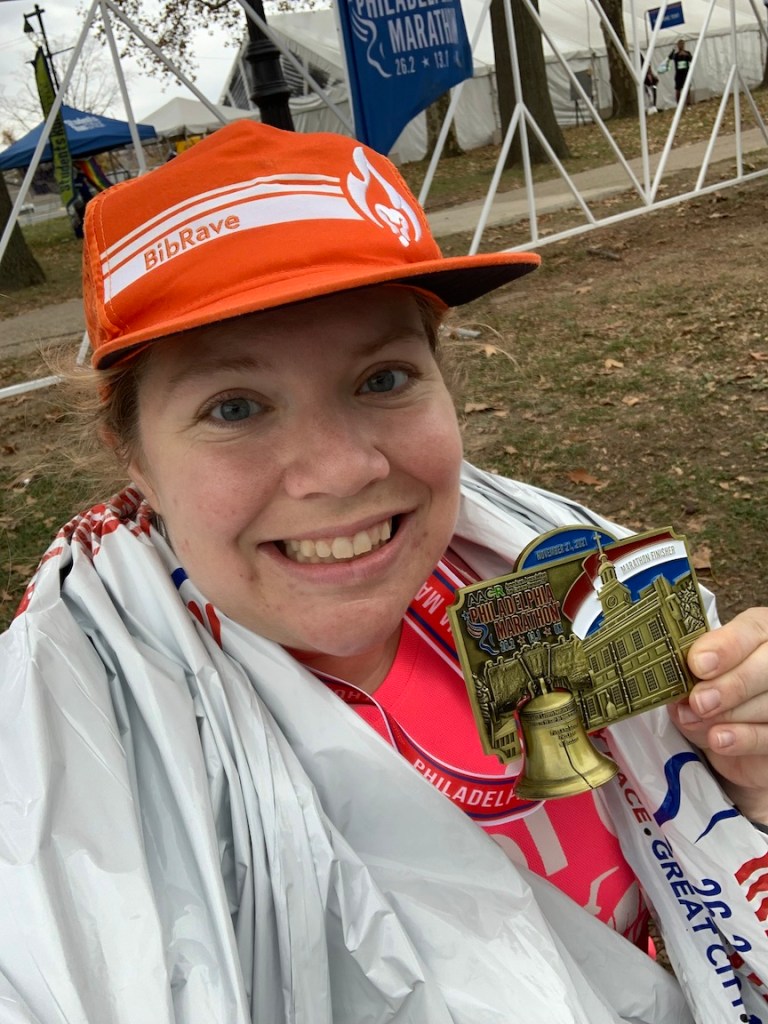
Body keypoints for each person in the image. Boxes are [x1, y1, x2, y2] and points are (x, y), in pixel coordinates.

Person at [2, 120, 768, 1023]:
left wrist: (743, 784)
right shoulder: (58, 778)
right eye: (235, 406)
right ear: (132, 457)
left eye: (382, 379)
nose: (341, 470)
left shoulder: (557, 580)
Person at [669, 38, 694, 105]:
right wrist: (673, 50)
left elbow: (692, 59)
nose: (681, 46)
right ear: (678, 45)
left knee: (687, 88)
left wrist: (686, 55)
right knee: (678, 89)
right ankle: (678, 103)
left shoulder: (687, 53)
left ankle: (688, 102)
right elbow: (670, 57)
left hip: (686, 73)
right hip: (678, 74)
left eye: (682, 44)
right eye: (680, 44)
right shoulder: (676, 55)